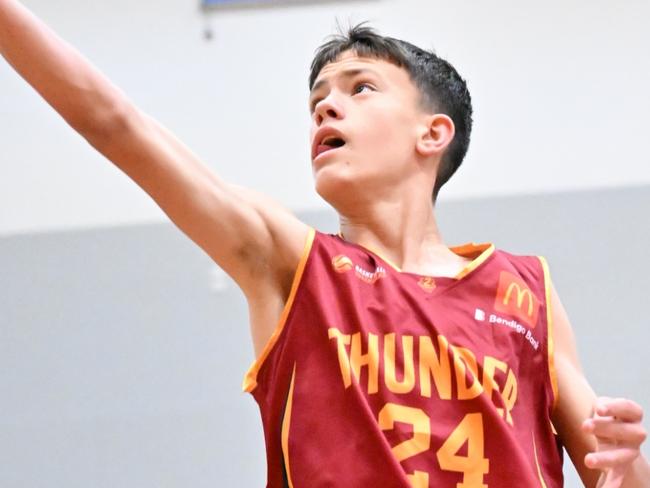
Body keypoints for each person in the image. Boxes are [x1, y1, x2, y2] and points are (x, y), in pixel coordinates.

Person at [1, 1, 648, 486]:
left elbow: (613, 476)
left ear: (433, 133)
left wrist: (630, 459)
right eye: (317, 99)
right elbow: (113, 123)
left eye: (359, 88)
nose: (325, 109)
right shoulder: (290, 262)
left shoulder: (522, 288)